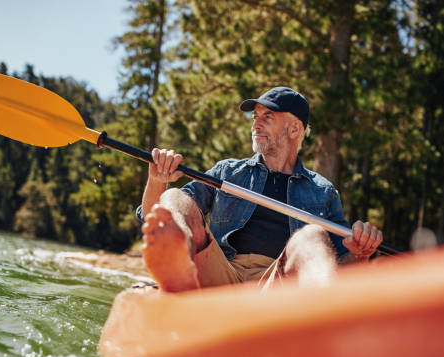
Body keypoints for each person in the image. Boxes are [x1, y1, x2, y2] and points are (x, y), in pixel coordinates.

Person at [137, 87, 383, 292]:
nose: (256, 124)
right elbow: (153, 217)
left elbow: (341, 268)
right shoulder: (228, 172)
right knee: (174, 197)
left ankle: (316, 319)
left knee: (311, 237)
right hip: (219, 274)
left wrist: (361, 253)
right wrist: (158, 180)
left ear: (295, 129)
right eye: (255, 117)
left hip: (276, 289)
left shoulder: (323, 192)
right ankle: (176, 273)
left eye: (267, 117)